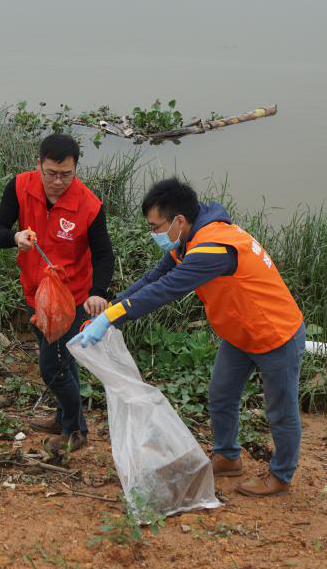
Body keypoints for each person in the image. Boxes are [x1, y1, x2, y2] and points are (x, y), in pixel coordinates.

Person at [70, 178, 305, 496]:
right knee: (221, 394)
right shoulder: (188, 239)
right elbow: (156, 276)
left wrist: (112, 317)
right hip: (239, 333)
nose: (153, 233)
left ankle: (281, 476)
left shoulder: (213, 249)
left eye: (156, 226)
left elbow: (166, 289)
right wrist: (111, 309)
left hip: (275, 334)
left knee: (281, 409)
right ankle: (227, 456)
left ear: (179, 220)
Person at [0, 134, 114, 458]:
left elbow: (103, 256)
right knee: (62, 361)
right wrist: (14, 237)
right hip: (36, 294)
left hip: (71, 301)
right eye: (51, 173)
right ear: (39, 165)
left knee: (52, 367)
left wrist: (98, 293)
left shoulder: (89, 206)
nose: (58, 182)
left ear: (76, 170)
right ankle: (63, 418)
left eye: (66, 175)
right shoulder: (19, 187)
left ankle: (76, 431)